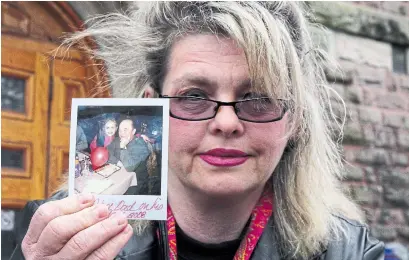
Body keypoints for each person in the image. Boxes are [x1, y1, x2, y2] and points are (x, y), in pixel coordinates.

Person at [11, 2, 384, 260]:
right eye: (193, 96)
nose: (225, 123)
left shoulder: (348, 250)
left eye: (258, 98)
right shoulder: (52, 237)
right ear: (150, 110)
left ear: (295, 119)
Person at [107, 118, 151, 195]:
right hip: (118, 177)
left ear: (133, 131)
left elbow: (129, 167)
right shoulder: (117, 140)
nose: (122, 133)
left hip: (135, 185)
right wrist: (118, 162)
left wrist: (123, 147)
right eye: (120, 130)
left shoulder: (141, 145)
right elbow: (106, 153)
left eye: (125, 129)